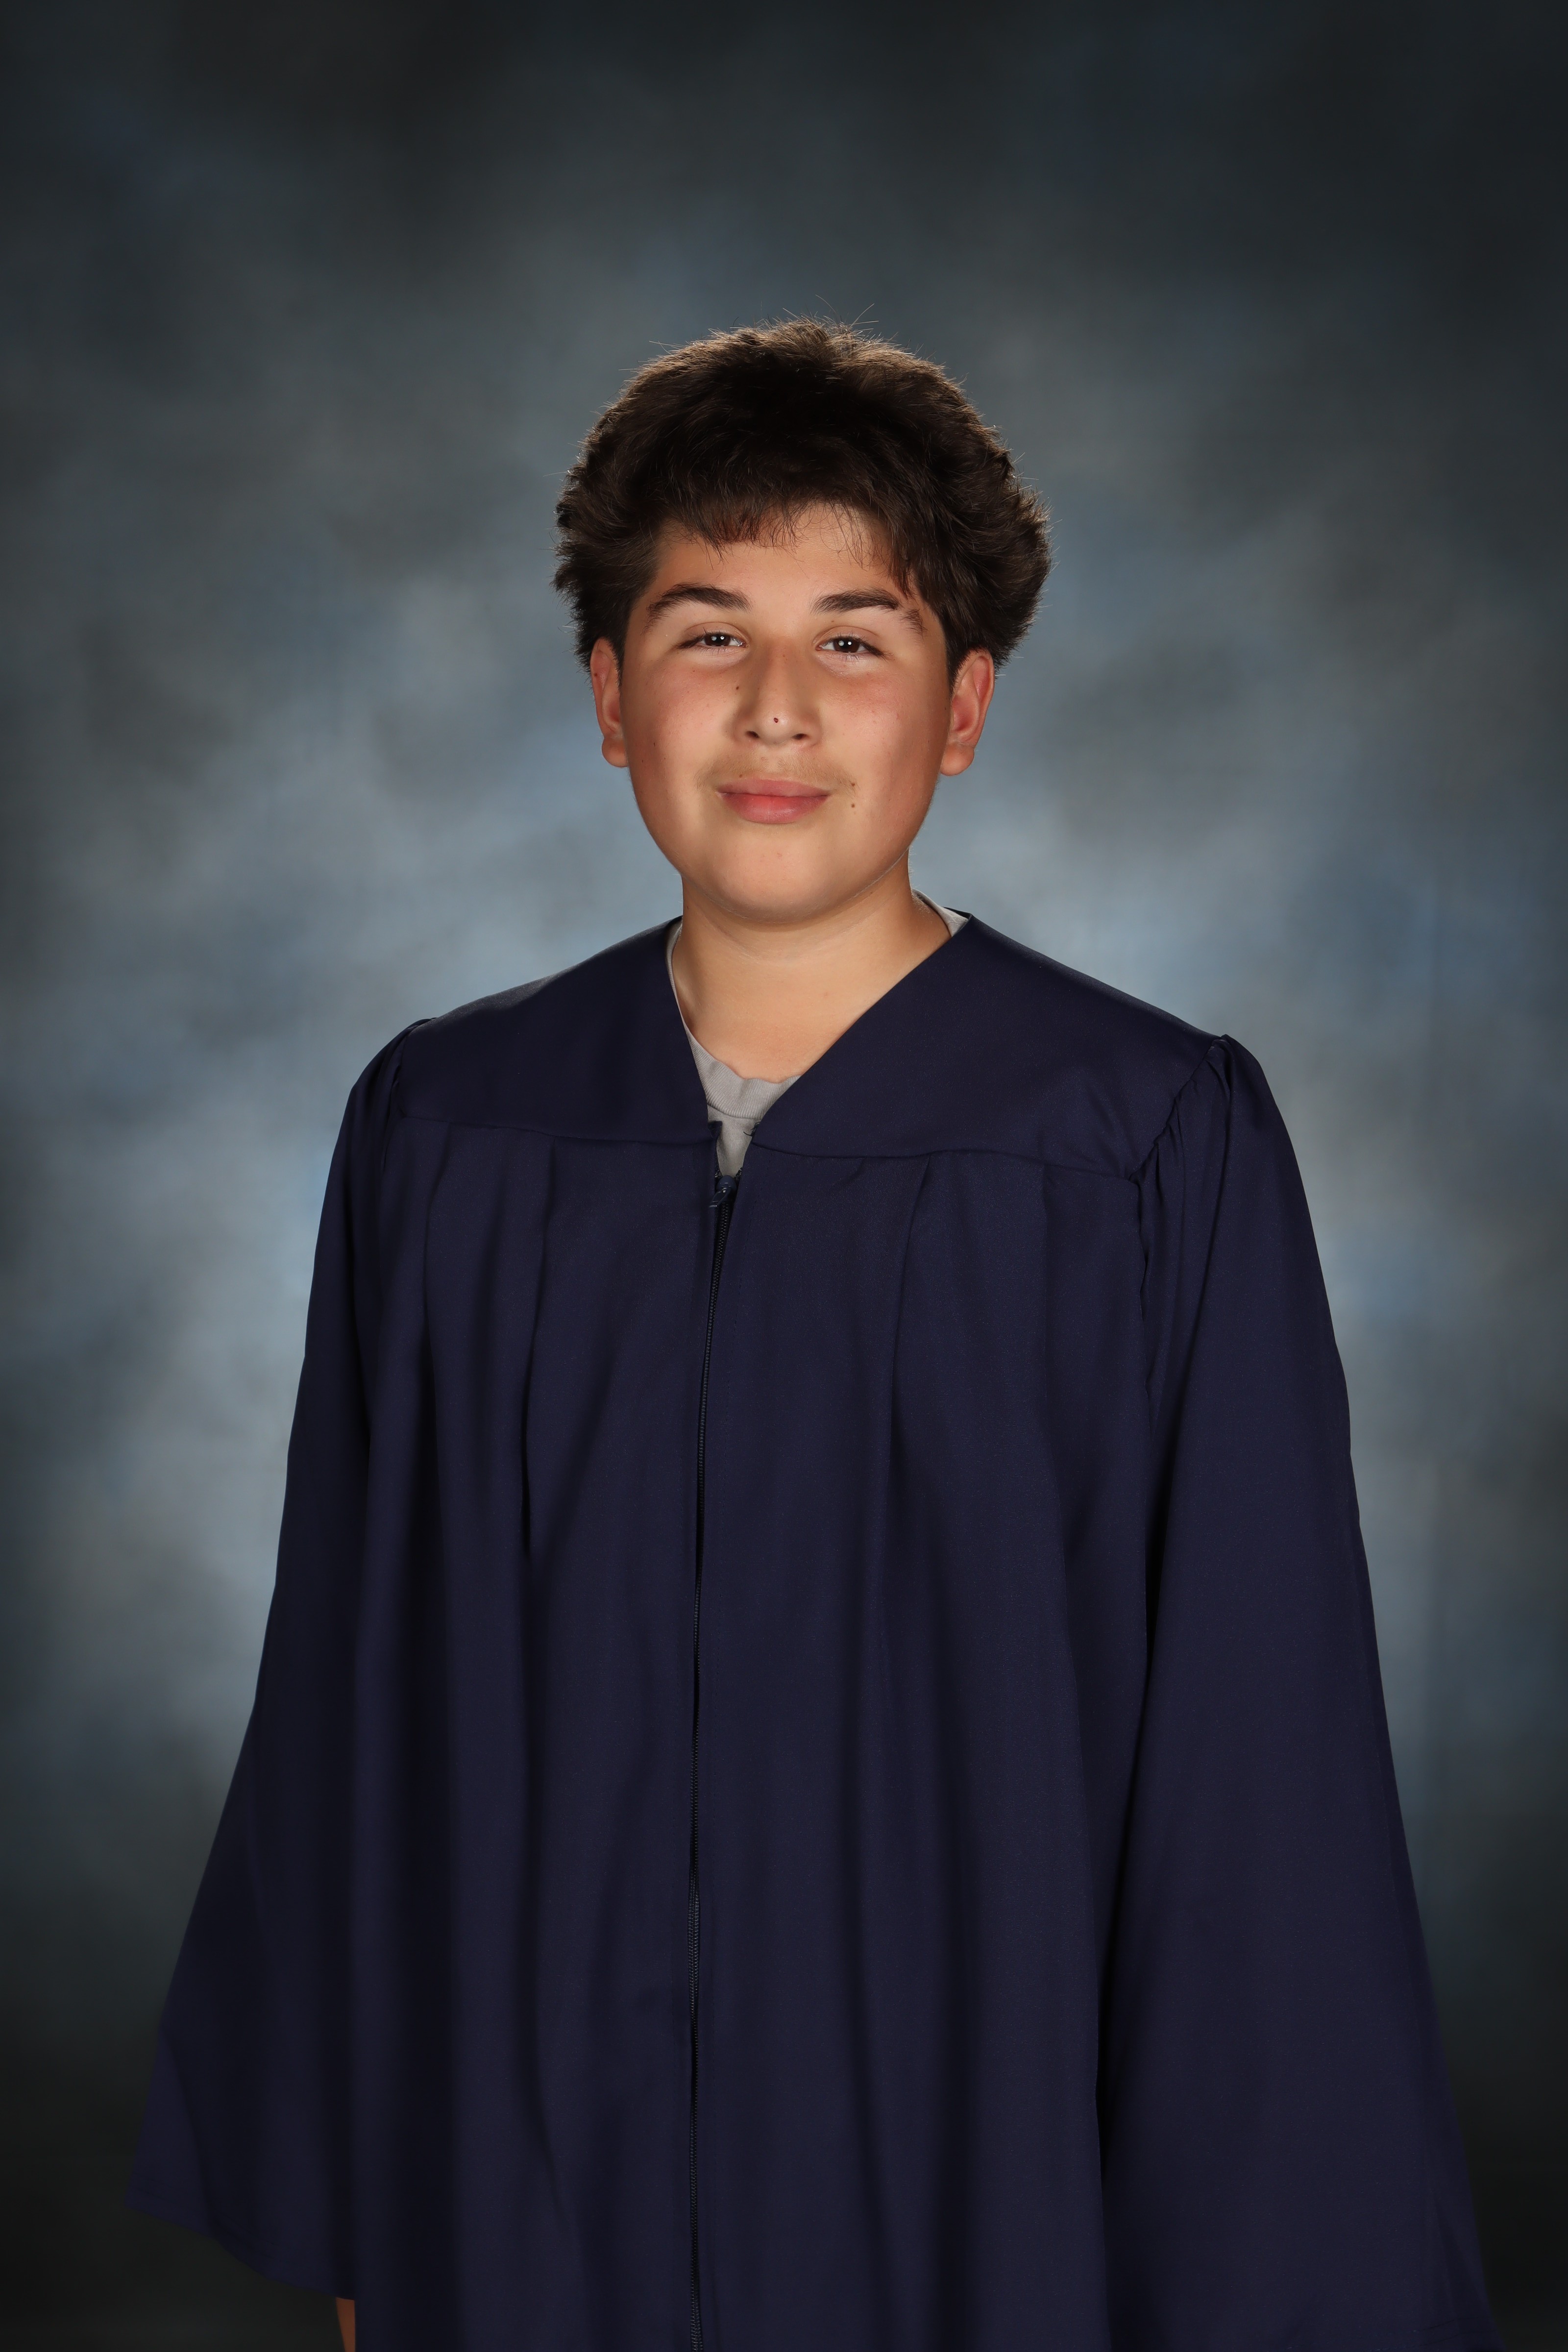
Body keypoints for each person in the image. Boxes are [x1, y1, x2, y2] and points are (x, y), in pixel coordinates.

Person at [129, 321, 1498, 2352]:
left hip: (980, 2183)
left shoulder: (1141, 1142)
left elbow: (1254, 1769)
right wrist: (361, 2196)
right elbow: (351, 1703)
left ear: (964, 707)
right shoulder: (448, 1130)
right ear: (611, 699)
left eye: (855, 639)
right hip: (526, 2196)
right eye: (708, 634)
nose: (776, 708)